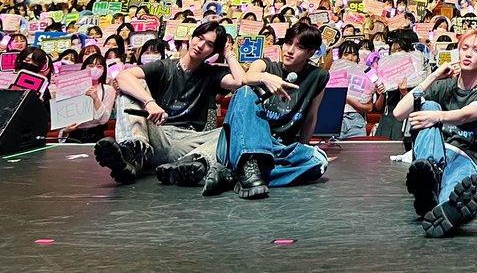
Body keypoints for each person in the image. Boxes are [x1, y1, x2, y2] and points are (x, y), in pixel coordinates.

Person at [155, 23, 330, 198]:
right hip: (246, 140)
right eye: (288, 43)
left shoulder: (318, 77)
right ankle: (248, 165)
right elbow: (246, 78)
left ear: (311, 53)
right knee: (245, 90)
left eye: (299, 47)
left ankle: (235, 175)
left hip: (277, 149)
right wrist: (264, 77)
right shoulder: (265, 65)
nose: (290, 50)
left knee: (318, 160)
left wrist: (304, 145)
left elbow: (310, 116)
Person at [93, 22, 244, 184]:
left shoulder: (212, 73)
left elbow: (242, 83)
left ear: (214, 52)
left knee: (232, 131)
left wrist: (228, 54)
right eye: (199, 38)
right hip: (157, 136)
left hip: (189, 143)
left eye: (209, 45)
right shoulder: (164, 67)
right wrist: (149, 102)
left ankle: (190, 164)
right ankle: (132, 152)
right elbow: (123, 77)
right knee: (132, 85)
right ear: (190, 37)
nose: (201, 46)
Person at [391, 27, 477, 237]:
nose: (468, 54)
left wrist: (437, 118)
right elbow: (398, 112)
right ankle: (429, 176)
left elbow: (466, 115)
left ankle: (441, 206)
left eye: (476, 50)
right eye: (464, 48)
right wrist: (433, 76)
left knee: (455, 186)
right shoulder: (442, 87)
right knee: (430, 106)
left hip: (466, 157)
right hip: (434, 152)